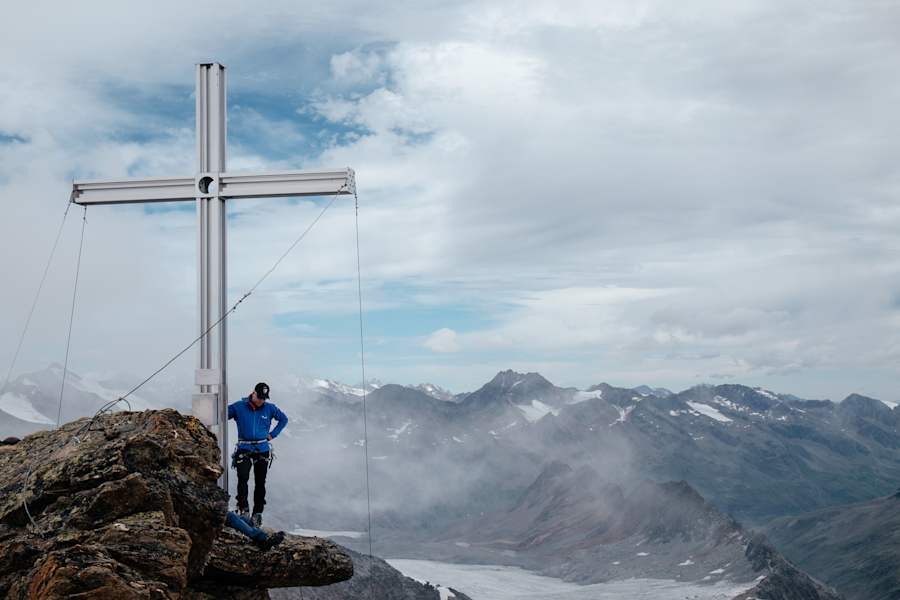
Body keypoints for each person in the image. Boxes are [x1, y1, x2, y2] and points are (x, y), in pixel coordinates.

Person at [228, 382, 288, 527]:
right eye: (259, 397)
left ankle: (257, 513)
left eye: (264, 398)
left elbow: (283, 419)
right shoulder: (239, 407)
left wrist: (272, 435)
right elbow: (221, 414)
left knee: (260, 482)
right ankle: (244, 509)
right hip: (244, 447)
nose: (261, 400)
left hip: (262, 449)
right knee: (243, 478)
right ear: (253, 393)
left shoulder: (270, 408)